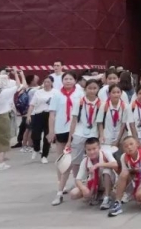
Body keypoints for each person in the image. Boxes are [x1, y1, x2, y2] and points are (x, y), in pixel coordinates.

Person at [49, 71, 81, 204]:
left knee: (75, 158)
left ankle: (77, 182)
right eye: (65, 79)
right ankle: (60, 184)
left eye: (70, 79)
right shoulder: (57, 94)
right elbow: (52, 114)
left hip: (76, 129)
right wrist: (51, 131)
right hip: (61, 128)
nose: (68, 81)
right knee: (61, 158)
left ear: (75, 81)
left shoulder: (79, 93)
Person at [108, 136, 141, 217]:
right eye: (126, 146)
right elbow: (124, 174)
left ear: (137, 144)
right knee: (121, 178)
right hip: (133, 180)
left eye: (131, 144)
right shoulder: (124, 157)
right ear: (123, 149)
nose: (129, 147)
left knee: (140, 196)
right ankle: (117, 203)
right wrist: (132, 170)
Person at [66, 79, 102, 185]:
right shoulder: (79, 102)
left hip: (93, 134)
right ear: (85, 89)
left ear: (98, 89)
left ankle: (92, 182)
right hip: (79, 133)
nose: (92, 91)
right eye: (90, 88)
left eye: (94, 88)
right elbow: (73, 121)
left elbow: (100, 122)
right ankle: (77, 182)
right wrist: (69, 139)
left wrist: (101, 136)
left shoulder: (101, 104)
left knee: (93, 159)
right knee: (76, 161)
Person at [70, 137, 118, 209]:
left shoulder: (105, 154)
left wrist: (98, 165)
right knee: (74, 193)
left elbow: (115, 164)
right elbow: (78, 179)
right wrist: (83, 188)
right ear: (85, 150)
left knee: (106, 170)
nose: (92, 152)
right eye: (89, 150)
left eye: (94, 149)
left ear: (99, 147)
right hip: (94, 183)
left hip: (107, 180)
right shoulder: (85, 161)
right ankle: (97, 194)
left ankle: (107, 197)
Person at [27, 75, 54, 163]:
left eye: (48, 82)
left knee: (47, 136)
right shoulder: (38, 92)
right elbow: (32, 105)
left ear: (52, 83)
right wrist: (28, 115)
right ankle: (36, 148)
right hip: (38, 114)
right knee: (35, 134)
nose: (46, 84)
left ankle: (44, 156)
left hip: (50, 115)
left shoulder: (55, 92)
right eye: (45, 82)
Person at [97, 84, 129, 151]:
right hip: (106, 136)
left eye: (118, 92)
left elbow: (123, 124)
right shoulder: (104, 105)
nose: (116, 94)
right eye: (113, 92)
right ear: (109, 94)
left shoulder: (125, 107)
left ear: (121, 93)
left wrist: (118, 140)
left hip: (120, 137)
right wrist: (101, 135)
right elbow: (100, 122)